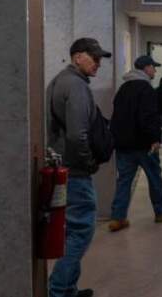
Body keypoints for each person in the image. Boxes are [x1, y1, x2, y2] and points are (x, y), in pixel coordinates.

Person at [46, 38, 112, 297]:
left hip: (65, 167)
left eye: (99, 59)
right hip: (75, 171)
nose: (97, 64)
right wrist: (89, 163)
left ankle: (67, 289)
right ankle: (60, 290)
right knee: (81, 232)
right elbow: (77, 135)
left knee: (72, 231)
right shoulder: (76, 86)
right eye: (93, 58)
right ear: (77, 57)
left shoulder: (60, 80)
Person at [108, 55, 162, 232]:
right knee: (155, 177)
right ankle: (161, 212)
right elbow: (149, 117)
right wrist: (154, 139)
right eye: (153, 67)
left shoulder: (123, 89)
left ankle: (118, 218)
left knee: (124, 181)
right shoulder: (146, 88)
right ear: (146, 68)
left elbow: (116, 116)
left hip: (123, 145)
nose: (155, 70)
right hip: (143, 144)